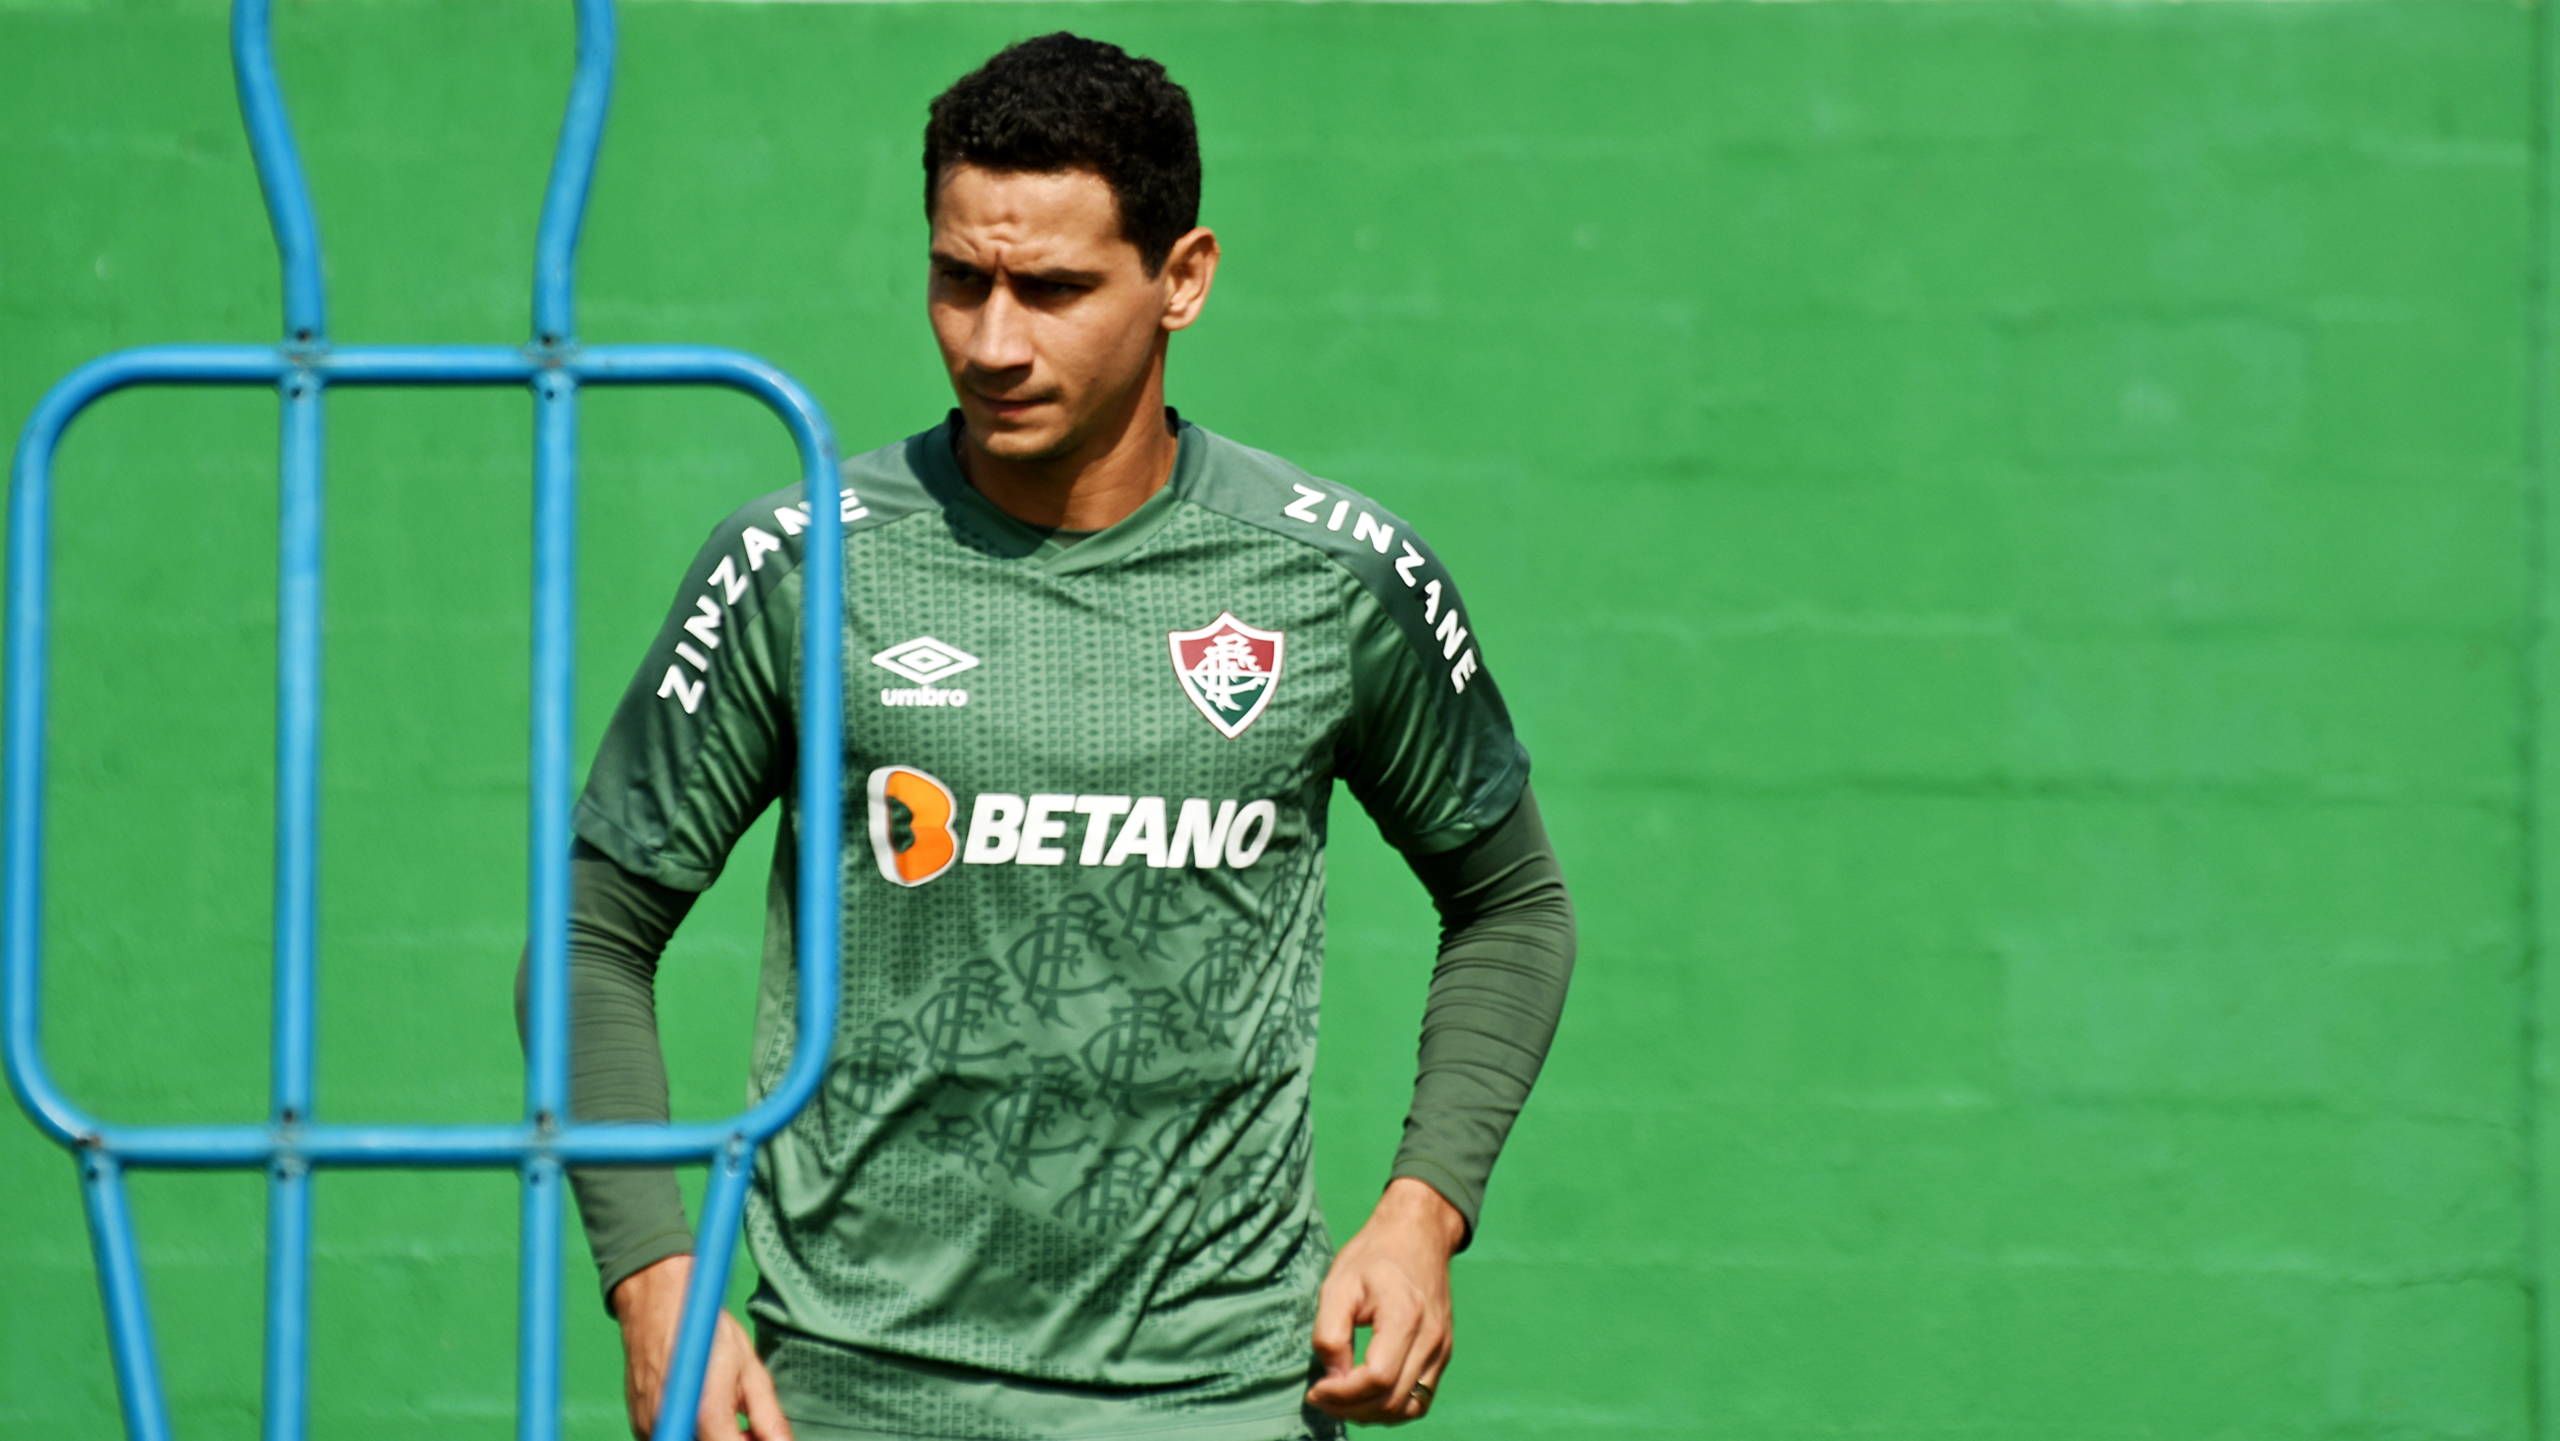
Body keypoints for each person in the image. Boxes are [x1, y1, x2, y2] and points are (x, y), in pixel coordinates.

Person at [517, 32, 1575, 1441]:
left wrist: (1424, 1208)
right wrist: (657, 1277)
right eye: (962, 279)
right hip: (846, 1397)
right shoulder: (800, 565)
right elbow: (588, 931)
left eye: (1055, 289)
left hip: (1220, 1402)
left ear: (1182, 278)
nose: (993, 342)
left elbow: (1512, 905)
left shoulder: (1332, 578)